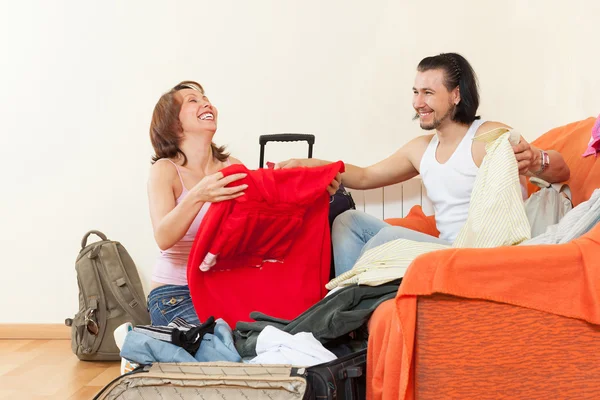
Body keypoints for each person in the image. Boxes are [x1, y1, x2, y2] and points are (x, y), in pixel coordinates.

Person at [275, 53, 571, 276]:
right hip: (443, 250)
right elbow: (364, 176)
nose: (419, 103)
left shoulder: (486, 137)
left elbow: (562, 170)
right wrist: (308, 164)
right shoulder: (421, 150)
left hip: (479, 254)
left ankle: (351, 306)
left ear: (456, 95)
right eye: (415, 93)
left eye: (428, 93)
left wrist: (536, 159)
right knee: (347, 221)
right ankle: (354, 319)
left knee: (389, 237)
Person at [146, 81, 248, 326]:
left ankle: (154, 344)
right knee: (217, 338)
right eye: (193, 100)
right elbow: (163, 237)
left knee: (258, 339)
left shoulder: (232, 166)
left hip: (222, 288)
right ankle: (138, 343)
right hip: (175, 294)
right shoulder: (165, 169)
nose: (206, 103)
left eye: (205, 98)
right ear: (173, 123)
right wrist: (198, 194)